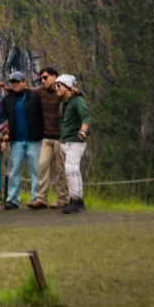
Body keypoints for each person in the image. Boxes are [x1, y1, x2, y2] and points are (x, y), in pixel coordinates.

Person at [0, 70, 43, 209]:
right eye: (13, 82)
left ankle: (37, 198)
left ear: (24, 82)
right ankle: (13, 199)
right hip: (16, 140)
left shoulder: (34, 97)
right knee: (14, 171)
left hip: (33, 139)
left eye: (18, 82)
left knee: (36, 171)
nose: (15, 84)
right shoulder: (8, 99)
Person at [27, 68, 69, 210]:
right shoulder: (41, 91)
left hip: (60, 138)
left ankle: (62, 198)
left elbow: (74, 94)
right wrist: (9, 88)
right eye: (41, 79)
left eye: (45, 78)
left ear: (54, 77)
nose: (43, 81)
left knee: (60, 169)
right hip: (46, 137)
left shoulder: (61, 92)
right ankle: (41, 198)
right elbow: (28, 89)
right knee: (42, 166)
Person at [55, 74, 91, 214]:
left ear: (68, 87)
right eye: (55, 85)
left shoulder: (77, 100)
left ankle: (74, 200)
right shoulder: (63, 102)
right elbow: (63, 124)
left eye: (59, 85)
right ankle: (79, 200)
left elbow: (86, 117)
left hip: (75, 142)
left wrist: (83, 130)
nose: (56, 88)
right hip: (65, 141)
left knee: (70, 170)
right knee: (74, 171)